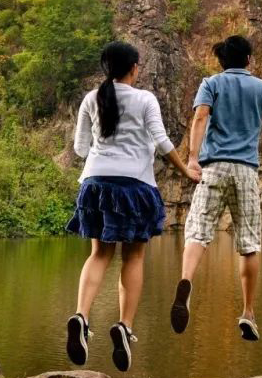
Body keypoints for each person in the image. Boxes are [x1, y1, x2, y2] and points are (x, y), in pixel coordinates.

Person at [65, 41, 200, 372]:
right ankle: (124, 326)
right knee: (134, 257)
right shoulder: (144, 99)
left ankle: (81, 317)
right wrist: (187, 171)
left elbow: (81, 149)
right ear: (134, 68)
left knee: (99, 255)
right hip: (135, 186)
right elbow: (162, 141)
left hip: (95, 183)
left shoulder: (90, 99)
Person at [169, 35, 262, 342]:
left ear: (222, 60)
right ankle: (248, 312)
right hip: (246, 172)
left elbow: (200, 117)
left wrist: (193, 158)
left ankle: (186, 281)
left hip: (213, 168)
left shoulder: (210, 84)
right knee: (249, 243)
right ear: (249, 59)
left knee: (197, 232)